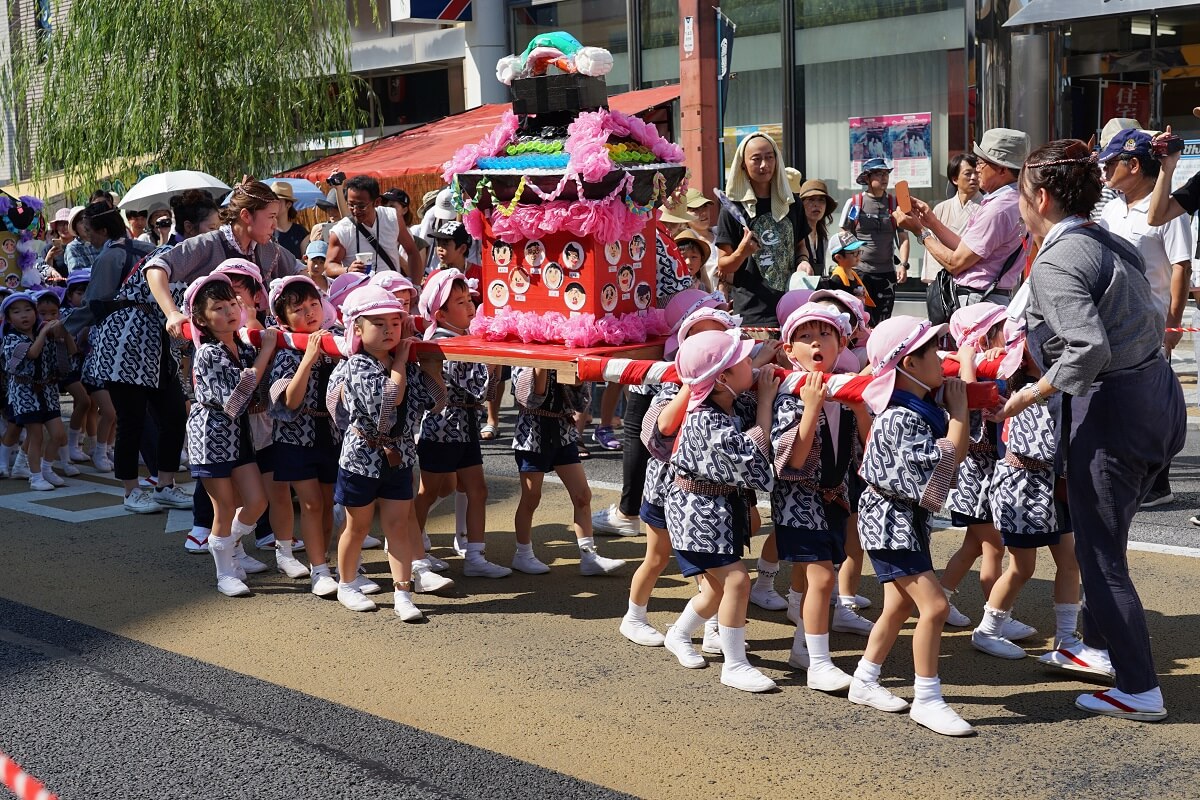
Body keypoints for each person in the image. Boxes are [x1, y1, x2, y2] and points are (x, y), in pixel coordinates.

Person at [995, 138, 1185, 721]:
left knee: (1100, 556)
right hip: (1156, 398)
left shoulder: (1057, 259)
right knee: (1108, 540)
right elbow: (1149, 319)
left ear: (1042, 197)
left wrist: (1034, 389)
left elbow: (1087, 348)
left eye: (1022, 194)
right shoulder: (1107, 239)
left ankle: (1138, 688)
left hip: (1113, 412)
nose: (1019, 205)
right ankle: (1100, 651)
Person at [853, 315, 972, 736]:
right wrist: (960, 414)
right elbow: (944, 465)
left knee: (899, 605)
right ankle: (927, 698)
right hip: (890, 521)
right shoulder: (901, 417)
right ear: (909, 364)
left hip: (898, 520)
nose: (941, 359)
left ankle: (865, 679)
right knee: (935, 606)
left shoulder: (916, 409)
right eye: (931, 352)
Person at [655, 329, 780, 693]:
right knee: (737, 581)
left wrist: (759, 372)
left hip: (707, 508)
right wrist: (767, 403)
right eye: (743, 360)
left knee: (712, 591)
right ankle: (734, 664)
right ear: (722, 378)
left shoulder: (717, 402)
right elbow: (750, 459)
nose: (751, 363)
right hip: (698, 512)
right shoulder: (706, 419)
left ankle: (678, 633)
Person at [329, 285, 449, 618]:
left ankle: (403, 593)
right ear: (357, 327)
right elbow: (388, 401)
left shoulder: (406, 363)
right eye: (378, 323)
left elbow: (437, 402)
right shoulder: (356, 365)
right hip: (360, 457)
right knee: (358, 526)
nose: (389, 330)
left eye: (395, 323)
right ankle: (347, 583)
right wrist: (401, 359)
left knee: (397, 525)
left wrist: (429, 365)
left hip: (401, 456)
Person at [772, 303, 873, 692]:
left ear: (843, 341)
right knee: (821, 577)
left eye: (826, 334)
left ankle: (802, 648)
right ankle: (818, 662)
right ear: (788, 349)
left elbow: (867, 443)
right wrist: (811, 408)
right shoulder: (790, 393)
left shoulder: (843, 387)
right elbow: (792, 459)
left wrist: (858, 405)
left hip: (834, 497)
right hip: (799, 501)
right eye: (805, 336)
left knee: (808, 574)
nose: (816, 343)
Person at [70, 202, 193, 513]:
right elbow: (98, 303)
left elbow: (94, 302)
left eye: (89, 233)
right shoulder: (128, 252)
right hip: (124, 343)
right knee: (132, 420)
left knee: (175, 414)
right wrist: (70, 328)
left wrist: (70, 326)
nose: (89, 240)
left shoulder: (139, 250)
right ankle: (130, 490)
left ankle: (165, 484)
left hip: (158, 342)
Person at [1096, 128, 1193, 509]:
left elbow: (1180, 269)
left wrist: (1172, 326)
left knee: (1152, 403)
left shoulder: (1167, 209)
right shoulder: (1111, 208)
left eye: (1110, 163)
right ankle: (1130, 476)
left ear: (1133, 165)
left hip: (1151, 323)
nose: (1104, 171)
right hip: (1114, 322)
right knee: (1122, 401)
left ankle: (1158, 483)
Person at [182, 273, 279, 597]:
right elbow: (237, 398)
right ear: (201, 319)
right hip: (210, 435)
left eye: (232, 304)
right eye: (219, 307)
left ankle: (232, 547)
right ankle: (225, 571)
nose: (229, 312)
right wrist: (266, 351)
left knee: (256, 500)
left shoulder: (240, 345)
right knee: (224, 506)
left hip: (237, 434)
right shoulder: (209, 352)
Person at [413, 269, 510, 578]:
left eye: (469, 300)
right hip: (442, 426)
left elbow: (488, 391)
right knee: (429, 491)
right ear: (440, 313)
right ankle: (411, 549)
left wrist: (493, 363)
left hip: (465, 424)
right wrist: (492, 360)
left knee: (476, 489)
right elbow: (478, 388)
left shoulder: (465, 338)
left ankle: (475, 556)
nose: (470, 307)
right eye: (460, 302)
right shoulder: (442, 342)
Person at [510, 364, 626, 576]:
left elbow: (580, 402)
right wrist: (542, 362)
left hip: (563, 433)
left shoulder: (565, 356)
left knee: (582, 495)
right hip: (532, 434)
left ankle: (589, 557)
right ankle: (523, 554)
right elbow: (531, 399)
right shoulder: (523, 357)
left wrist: (577, 374)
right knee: (531, 497)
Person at [897, 129, 1028, 308]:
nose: (978, 170)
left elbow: (955, 263)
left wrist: (920, 231)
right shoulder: (1016, 200)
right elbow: (966, 248)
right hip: (988, 297)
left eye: (982, 163)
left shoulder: (998, 208)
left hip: (978, 300)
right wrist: (931, 221)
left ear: (1002, 169)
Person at [267, 275, 340, 588]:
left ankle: (322, 561)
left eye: (314, 304)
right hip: (296, 438)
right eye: (298, 309)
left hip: (331, 434)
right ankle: (319, 570)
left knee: (327, 502)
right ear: (283, 318)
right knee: (310, 503)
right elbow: (291, 400)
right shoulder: (286, 350)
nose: (310, 312)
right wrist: (308, 359)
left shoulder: (336, 342)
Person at [715, 132, 811, 326]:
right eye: (756, 159)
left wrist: (803, 262)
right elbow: (723, 266)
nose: (764, 165)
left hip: (794, 307)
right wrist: (742, 252)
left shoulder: (792, 203)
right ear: (743, 164)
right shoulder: (732, 209)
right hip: (753, 314)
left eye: (769, 157)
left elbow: (800, 245)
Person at [2, 292, 75, 491]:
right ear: (8, 319)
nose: (24, 315)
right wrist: (43, 333)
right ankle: (35, 477)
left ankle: (46, 468)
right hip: (24, 392)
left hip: (48, 390)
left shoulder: (47, 332)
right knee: (36, 436)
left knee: (59, 435)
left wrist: (64, 330)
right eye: (16, 312)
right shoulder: (10, 338)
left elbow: (72, 350)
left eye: (28, 310)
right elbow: (32, 353)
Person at [840, 157, 908, 323]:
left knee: (883, 321)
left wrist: (903, 264)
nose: (884, 178)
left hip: (887, 273)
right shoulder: (855, 203)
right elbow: (843, 233)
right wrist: (851, 259)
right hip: (860, 273)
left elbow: (903, 236)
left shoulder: (894, 203)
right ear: (867, 178)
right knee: (861, 320)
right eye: (878, 174)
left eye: (886, 173)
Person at [325, 176, 423, 283]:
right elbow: (329, 266)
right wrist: (347, 270)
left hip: (393, 291)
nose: (355, 210)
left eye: (361, 206)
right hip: (361, 294)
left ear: (377, 202)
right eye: (351, 205)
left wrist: (416, 286)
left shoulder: (392, 218)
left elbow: (412, 251)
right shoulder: (341, 231)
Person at [921, 155, 981, 284]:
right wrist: (934, 282)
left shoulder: (986, 207)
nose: (974, 178)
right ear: (955, 179)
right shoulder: (941, 209)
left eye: (977, 173)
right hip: (944, 280)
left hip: (972, 280)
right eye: (968, 174)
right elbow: (933, 247)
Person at [795, 180, 837, 280]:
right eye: (811, 199)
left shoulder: (822, 237)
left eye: (821, 200)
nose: (816, 204)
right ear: (801, 204)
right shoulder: (795, 234)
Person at [270, 182, 309, 260]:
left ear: (288, 204)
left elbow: (306, 261)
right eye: (271, 201)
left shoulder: (300, 232)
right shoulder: (265, 230)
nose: (273, 204)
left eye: (278, 201)